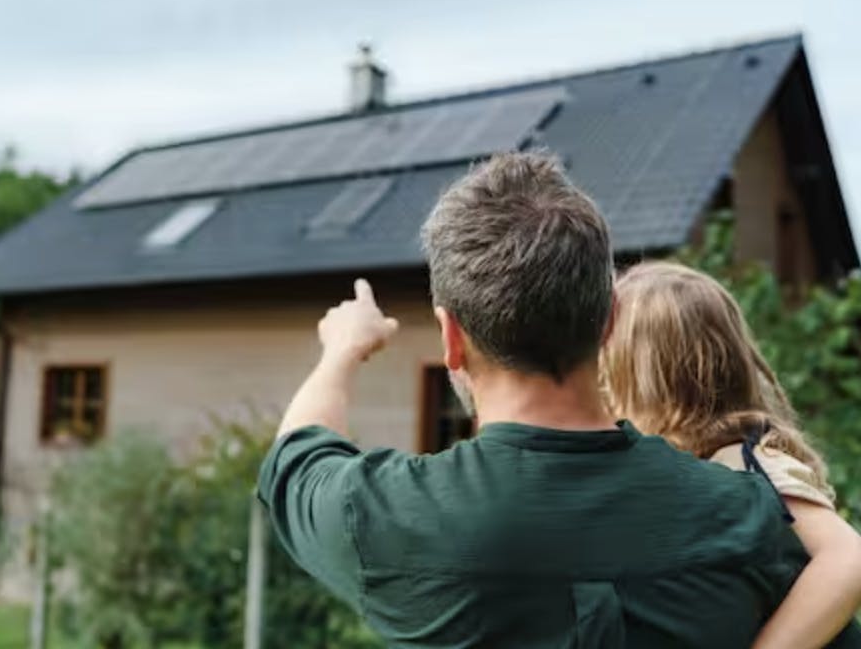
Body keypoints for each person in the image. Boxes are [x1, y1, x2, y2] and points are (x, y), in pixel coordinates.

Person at [257, 151, 851, 647]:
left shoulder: (386, 515)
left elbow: (296, 455)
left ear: (452, 339)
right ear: (608, 319)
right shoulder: (746, 515)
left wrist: (343, 349)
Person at [599, 261, 861, 649]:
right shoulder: (693, 471)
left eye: (607, 372)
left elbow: (849, 560)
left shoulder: (748, 463)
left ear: (649, 382)